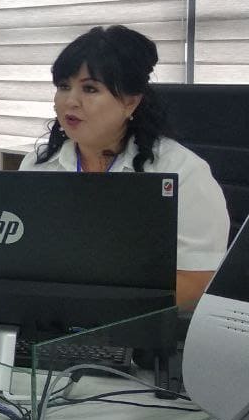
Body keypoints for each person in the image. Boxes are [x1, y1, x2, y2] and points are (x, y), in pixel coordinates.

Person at [20, 24, 230, 306]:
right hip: (51, 317)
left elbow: (197, 281)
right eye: (63, 86)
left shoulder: (182, 172)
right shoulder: (38, 166)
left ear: (130, 103)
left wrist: (99, 305)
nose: (70, 101)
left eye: (90, 89)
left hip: (137, 322)